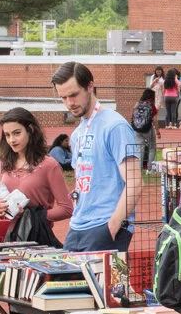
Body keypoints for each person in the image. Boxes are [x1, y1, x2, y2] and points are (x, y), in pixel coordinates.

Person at [0, 109, 73, 314]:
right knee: (14, 305)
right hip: (12, 241)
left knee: (41, 308)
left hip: (40, 243)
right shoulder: (5, 163)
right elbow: (3, 202)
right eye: (7, 134)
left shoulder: (48, 165)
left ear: (31, 131)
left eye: (17, 132)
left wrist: (38, 214)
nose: (11, 139)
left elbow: (66, 207)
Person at [52, 62, 141, 254]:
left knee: (101, 285)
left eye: (74, 95)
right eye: (63, 97)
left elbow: (134, 182)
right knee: (66, 282)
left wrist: (114, 224)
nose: (69, 103)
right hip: (77, 226)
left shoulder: (115, 126)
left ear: (90, 86)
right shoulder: (77, 134)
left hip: (104, 226)